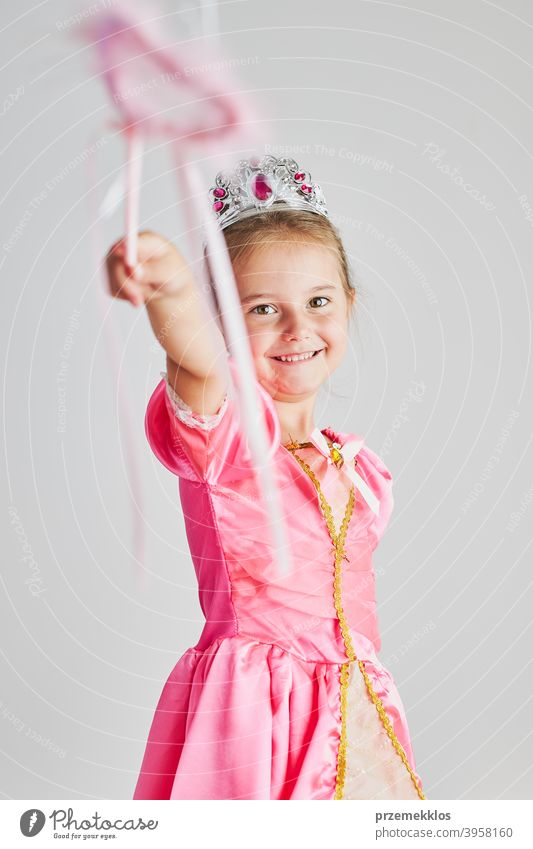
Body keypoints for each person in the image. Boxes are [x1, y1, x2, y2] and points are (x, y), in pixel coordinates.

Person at [106, 155, 426, 801]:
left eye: (317, 301)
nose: (297, 328)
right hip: (256, 714)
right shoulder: (227, 438)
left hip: (354, 718)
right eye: (260, 309)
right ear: (222, 321)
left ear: (347, 304)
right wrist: (168, 282)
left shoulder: (358, 469)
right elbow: (193, 359)